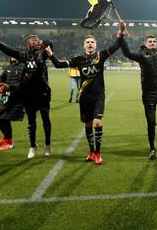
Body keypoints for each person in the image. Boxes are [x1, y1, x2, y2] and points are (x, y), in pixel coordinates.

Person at [46, 26, 123, 164]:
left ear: (96, 45)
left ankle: (98, 153)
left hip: (99, 96)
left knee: (97, 123)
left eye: (92, 42)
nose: (90, 44)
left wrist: (120, 33)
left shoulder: (101, 56)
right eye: (87, 42)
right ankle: (91, 152)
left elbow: (116, 45)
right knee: (88, 125)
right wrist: (51, 54)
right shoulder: (78, 59)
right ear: (84, 46)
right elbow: (58, 64)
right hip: (84, 98)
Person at [119, 13, 157, 160]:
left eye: (154, 41)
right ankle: (152, 149)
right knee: (151, 122)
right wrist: (121, 35)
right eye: (149, 41)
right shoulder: (141, 56)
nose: (152, 43)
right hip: (149, 94)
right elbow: (126, 52)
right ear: (145, 44)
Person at [0, 34, 53, 159]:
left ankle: (47, 145)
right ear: (28, 43)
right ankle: (33, 146)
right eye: (33, 39)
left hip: (43, 92)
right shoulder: (24, 55)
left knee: (46, 120)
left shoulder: (43, 53)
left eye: (37, 39)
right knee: (31, 122)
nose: (36, 40)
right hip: (28, 94)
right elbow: (7, 49)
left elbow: (50, 43)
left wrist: (42, 42)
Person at [0, 57, 25, 151]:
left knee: (2, 116)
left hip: (16, 98)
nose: (12, 57)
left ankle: (10, 143)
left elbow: (23, 84)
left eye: (14, 55)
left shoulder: (23, 67)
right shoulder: (10, 67)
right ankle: (6, 137)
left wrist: (9, 86)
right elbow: (0, 79)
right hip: (7, 96)